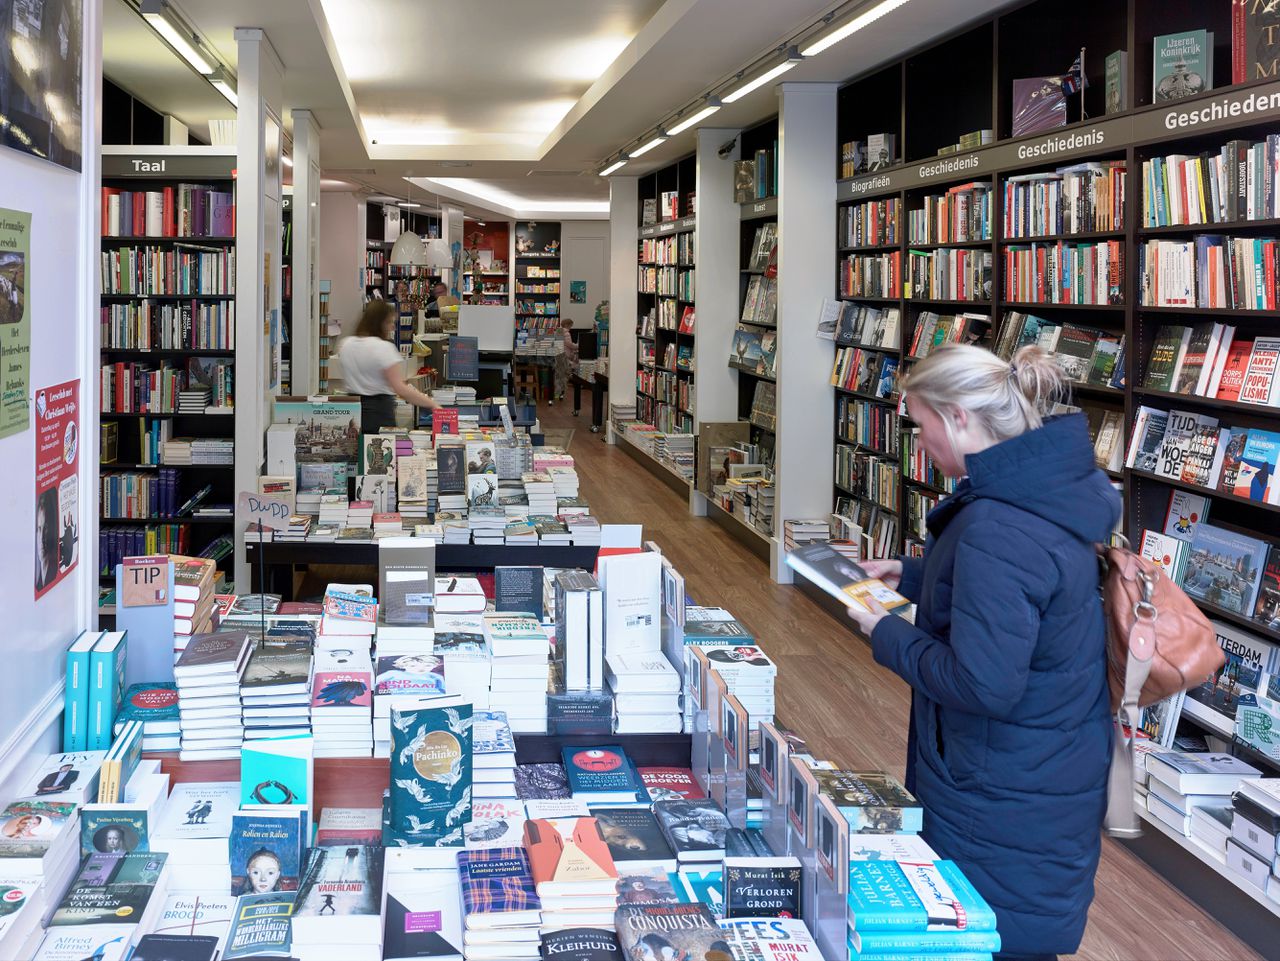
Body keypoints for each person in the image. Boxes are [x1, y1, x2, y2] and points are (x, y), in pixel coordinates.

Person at [845, 344, 1119, 961]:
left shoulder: (1001, 523)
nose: (917, 445)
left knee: (989, 938)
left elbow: (983, 683)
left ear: (959, 418)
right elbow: (1020, 597)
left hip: (1002, 787)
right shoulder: (1041, 491)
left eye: (920, 426)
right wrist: (911, 575)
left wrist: (884, 632)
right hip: (1039, 767)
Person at [338, 300, 439, 433]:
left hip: (352, 411)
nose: (393, 327)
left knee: (356, 450)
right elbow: (401, 389)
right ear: (379, 323)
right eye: (390, 322)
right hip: (379, 413)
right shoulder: (384, 348)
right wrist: (432, 404)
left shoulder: (346, 344)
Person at [552, 318, 578, 404]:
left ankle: (557, 393)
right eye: (570, 326)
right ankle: (560, 394)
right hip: (564, 356)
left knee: (558, 375)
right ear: (567, 325)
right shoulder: (566, 333)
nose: (571, 327)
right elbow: (569, 345)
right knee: (563, 376)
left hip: (557, 354)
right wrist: (578, 345)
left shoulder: (557, 331)